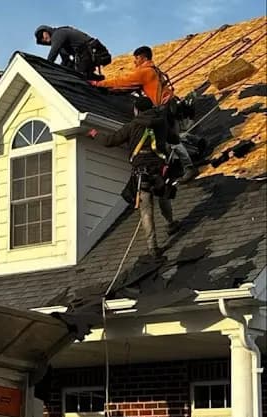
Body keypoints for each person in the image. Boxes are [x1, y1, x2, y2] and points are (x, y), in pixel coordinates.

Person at [87, 97, 181, 257]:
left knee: (146, 210)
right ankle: (171, 223)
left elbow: (110, 141)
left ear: (137, 110)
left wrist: (95, 134)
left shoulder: (132, 126)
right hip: (158, 170)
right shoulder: (161, 123)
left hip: (141, 173)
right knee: (164, 197)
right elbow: (175, 139)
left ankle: (153, 248)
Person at [90, 46, 199, 182]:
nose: (135, 62)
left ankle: (189, 167)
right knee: (172, 135)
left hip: (164, 108)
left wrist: (98, 84)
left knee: (172, 141)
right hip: (171, 106)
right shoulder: (154, 70)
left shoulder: (145, 72)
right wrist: (113, 91)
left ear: (143, 58)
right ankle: (197, 142)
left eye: (136, 59)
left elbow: (122, 81)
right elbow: (129, 88)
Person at [34, 25, 110, 80]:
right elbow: (66, 60)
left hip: (90, 50)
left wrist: (45, 68)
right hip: (87, 53)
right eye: (41, 39)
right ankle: (96, 79)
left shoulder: (58, 34)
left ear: (46, 31)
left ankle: (92, 79)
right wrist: (59, 72)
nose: (43, 38)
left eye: (42, 35)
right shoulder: (61, 44)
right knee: (72, 70)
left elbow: (53, 54)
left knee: (80, 76)